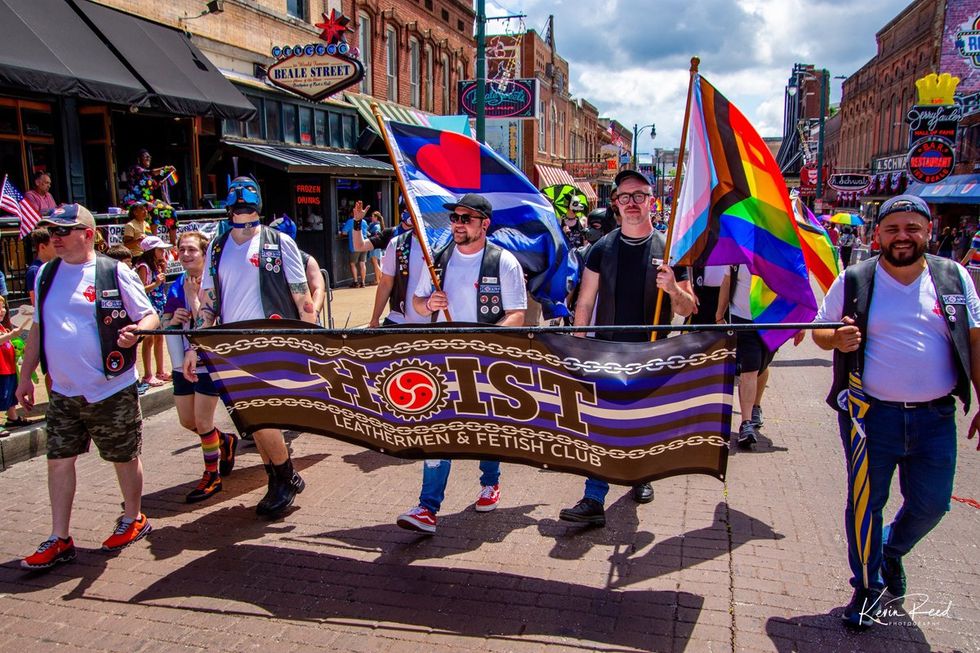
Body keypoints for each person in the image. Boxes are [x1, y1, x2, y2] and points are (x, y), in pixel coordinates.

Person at [811, 194, 980, 628]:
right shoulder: (853, 279)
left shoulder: (955, 277)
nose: (902, 237)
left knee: (932, 503)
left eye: (912, 228)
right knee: (866, 504)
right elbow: (821, 332)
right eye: (892, 229)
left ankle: (890, 551)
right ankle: (866, 587)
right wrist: (837, 340)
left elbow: (975, 342)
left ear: (929, 232)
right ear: (876, 235)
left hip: (936, 418)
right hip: (871, 419)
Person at [16, 204, 159, 570]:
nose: (55, 239)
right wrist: (25, 376)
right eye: (52, 232)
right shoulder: (45, 274)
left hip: (110, 387)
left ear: (88, 234)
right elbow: (38, 329)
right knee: (59, 460)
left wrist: (135, 332)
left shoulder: (114, 271)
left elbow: (149, 315)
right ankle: (60, 536)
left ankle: (133, 517)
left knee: (123, 456)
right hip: (63, 391)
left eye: (63, 231)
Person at [559, 170, 696, 527]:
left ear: (652, 201)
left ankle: (641, 475)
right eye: (624, 197)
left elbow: (688, 308)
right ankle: (594, 497)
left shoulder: (670, 251)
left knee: (643, 421)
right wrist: (579, 346)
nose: (632, 203)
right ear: (616, 205)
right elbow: (585, 303)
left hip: (653, 353)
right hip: (608, 351)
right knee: (602, 422)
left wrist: (673, 289)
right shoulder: (600, 249)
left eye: (639, 196)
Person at [184, 177, 317, 518]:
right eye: (236, 206)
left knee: (263, 415)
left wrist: (313, 345)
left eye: (247, 205)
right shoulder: (218, 245)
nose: (242, 212)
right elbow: (209, 301)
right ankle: (278, 475)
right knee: (249, 419)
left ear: (257, 206)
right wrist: (196, 344)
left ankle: (285, 476)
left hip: (270, 342)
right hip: (231, 346)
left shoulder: (279, 241)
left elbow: (303, 299)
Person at [397, 193, 527, 534]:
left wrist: (485, 343)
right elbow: (417, 303)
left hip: (486, 362)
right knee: (436, 429)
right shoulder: (437, 259)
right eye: (454, 218)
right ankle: (427, 507)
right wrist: (428, 303)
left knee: (485, 429)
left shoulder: (503, 262)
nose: (457, 224)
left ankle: (490, 482)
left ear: (484, 224)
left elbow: (517, 314)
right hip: (442, 359)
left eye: (465, 218)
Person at [163, 231, 238, 503]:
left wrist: (193, 301)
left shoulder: (214, 283)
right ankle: (225, 441)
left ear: (205, 254)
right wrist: (172, 318)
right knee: (188, 421)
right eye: (181, 250)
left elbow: (210, 321)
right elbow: (166, 319)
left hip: (208, 361)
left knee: (203, 421)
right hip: (181, 359)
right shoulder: (177, 283)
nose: (185, 255)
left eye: (192, 250)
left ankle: (211, 475)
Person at [716, 264, 772, 448]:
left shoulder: (779, 250)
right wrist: (719, 314)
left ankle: (755, 407)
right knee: (750, 369)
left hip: (771, 320)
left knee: (762, 366)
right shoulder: (738, 253)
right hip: (742, 319)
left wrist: (799, 324)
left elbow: (793, 286)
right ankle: (746, 423)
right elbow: (727, 281)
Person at [348, 205, 423, 328]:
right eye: (406, 209)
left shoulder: (429, 237)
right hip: (398, 308)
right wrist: (357, 222)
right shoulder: (392, 235)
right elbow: (359, 246)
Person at [270, 216, 326, 322]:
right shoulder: (263, 257)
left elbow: (319, 289)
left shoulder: (306, 260)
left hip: (299, 319)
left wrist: (314, 314)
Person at [135, 237, 171, 387]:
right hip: (149, 305)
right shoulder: (143, 266)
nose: (163, 252)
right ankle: (148, 374)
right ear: (152, 251)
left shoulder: (157, 265)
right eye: (160, 249)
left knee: (159, 338)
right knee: (148, 340)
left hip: (159, 304)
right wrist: (156, 283)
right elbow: (140, 288)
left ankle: (160, 371)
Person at [0, 296, 27, 437]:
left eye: (3, 307)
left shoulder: (2, 327)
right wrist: (12, 335)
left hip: (7, 368)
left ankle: (13, 417)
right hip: (1, 369)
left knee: (10, 393)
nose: (2, 310)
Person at [25, 228, 56, 305]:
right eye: (54, 244)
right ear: (42, 247)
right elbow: (36, 303)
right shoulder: (34, 271)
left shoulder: (56, 266)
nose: (58, 247)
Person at [339, 209, 369, 287]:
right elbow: (366, 232)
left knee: (352, 263)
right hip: (365, 244)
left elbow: (344, 232)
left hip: (355, 245)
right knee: (362, 263)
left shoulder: (350, 221)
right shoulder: (364, 222)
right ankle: (363, 282)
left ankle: (355, 282)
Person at [367, 211, 385, 285]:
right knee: (375, 262)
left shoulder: (376, 226)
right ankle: (378, 279)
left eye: (373, 216)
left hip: (375, 246)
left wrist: (369, 234)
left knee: (375, 263)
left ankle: (378, 280)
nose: (372, 218)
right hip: (376, 246)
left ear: (376, 217)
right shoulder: (377, 225)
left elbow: (376, 235)